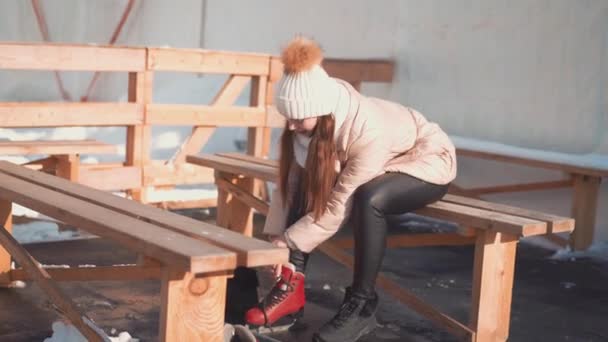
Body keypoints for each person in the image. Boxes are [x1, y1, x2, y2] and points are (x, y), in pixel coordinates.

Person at [244, 36, 457, 342]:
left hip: (426, 157)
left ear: (318, 109)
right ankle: (291, 291)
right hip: (386, 159)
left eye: (297, 119)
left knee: (369, 198)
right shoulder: (309, 124)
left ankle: (362, 305)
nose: (290, 126)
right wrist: (277, 239)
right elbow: (289, 185)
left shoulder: (365, 130)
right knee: (307, 179)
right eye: (287, 118)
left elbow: (337, 206)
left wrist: (288, 243)